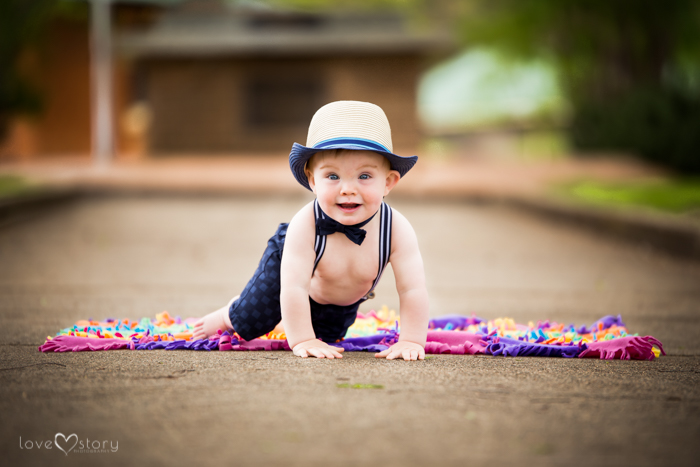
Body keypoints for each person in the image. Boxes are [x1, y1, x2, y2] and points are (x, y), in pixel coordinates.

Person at [192, 101, 429, 360]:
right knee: (254, 318)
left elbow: (412, 289)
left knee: (328, 340)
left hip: (341, 301)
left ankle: (295, 322)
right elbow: (294, 287)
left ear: (389, 182)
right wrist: (302, 339)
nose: (347, 189)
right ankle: (228, 314)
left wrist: (411, 340)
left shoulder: (396, 228)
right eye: (332, 176)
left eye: (364, 176)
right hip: (292, 273)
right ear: (313, 180)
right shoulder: (304, 225)